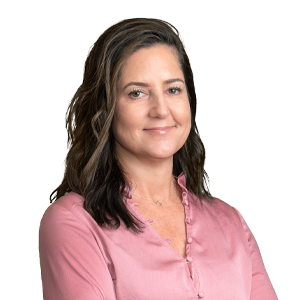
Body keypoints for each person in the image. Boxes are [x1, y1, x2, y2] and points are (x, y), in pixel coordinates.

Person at [38, 18, 278, 300]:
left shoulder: (231, 223)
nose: (161, 109)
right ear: (105, 109)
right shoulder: (74, 222)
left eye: (173, 89)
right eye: (137, 93)